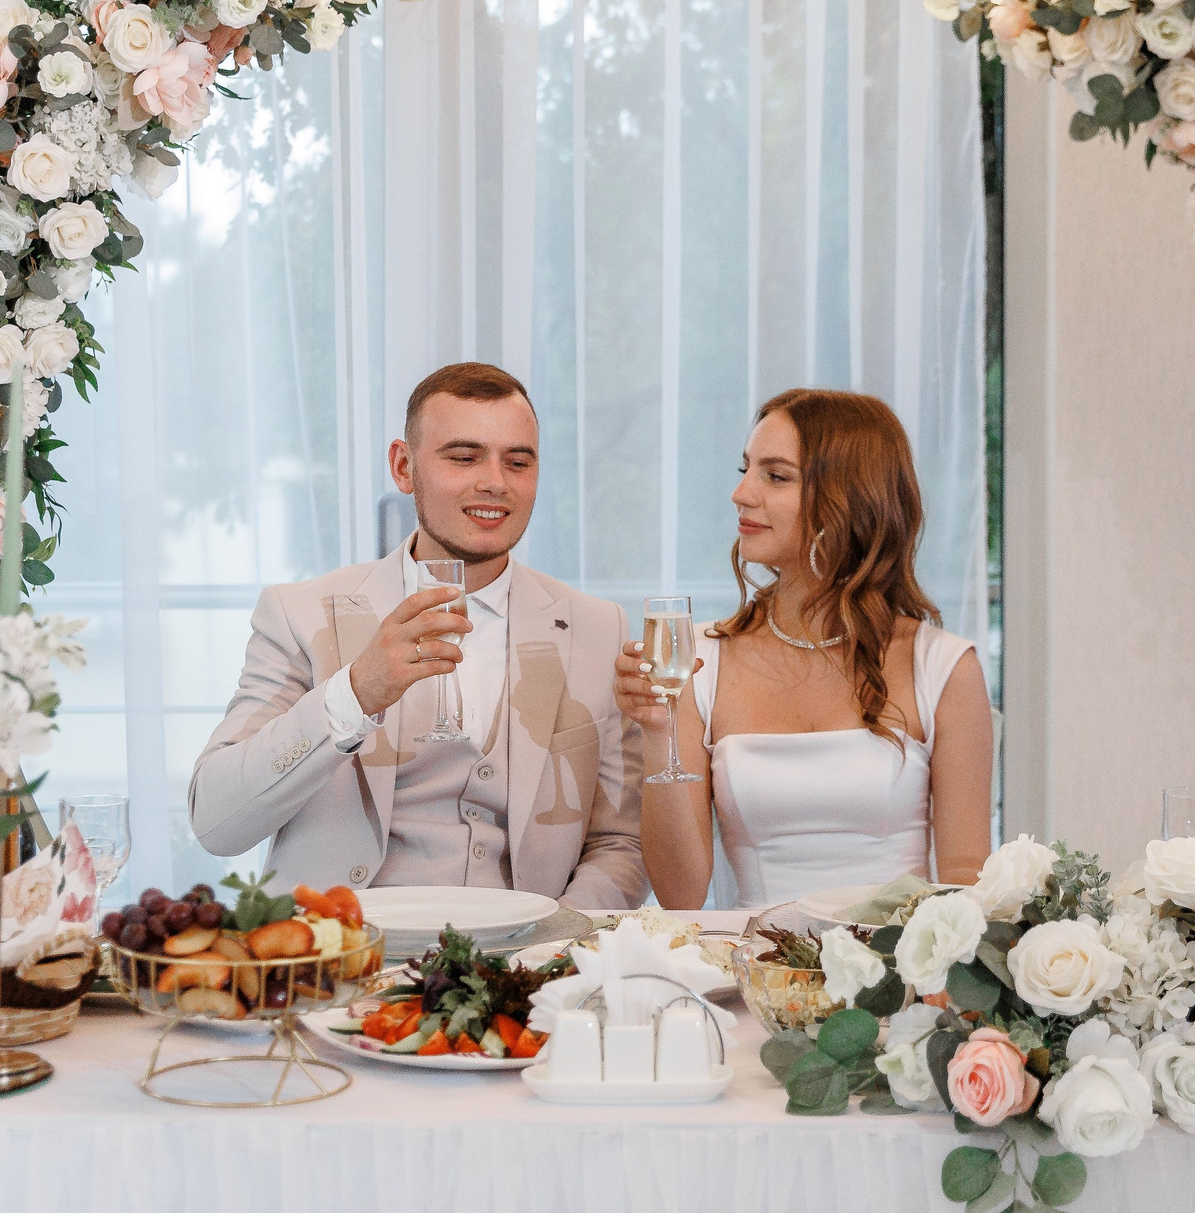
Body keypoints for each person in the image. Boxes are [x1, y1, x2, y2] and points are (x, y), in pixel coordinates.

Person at [190, 363, 646, 907]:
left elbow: (621, 843)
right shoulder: (299, 613)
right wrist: (354, 692)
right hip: (344, 964)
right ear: (404, 468)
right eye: (464, 457)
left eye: (517, 462)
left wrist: (557, 947)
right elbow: (216, 823)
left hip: (525, 970)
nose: (495, 482)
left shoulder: (599, 628)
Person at [616, 389, 992, 909]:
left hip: (895, 981)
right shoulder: (700, 659)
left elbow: (966, 883)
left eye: (775, 476)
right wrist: (658, 734)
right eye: (746, 469)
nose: (741, 493)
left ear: (850, 498)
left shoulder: (943, 666)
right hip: (752, 975)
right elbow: (680, 895)